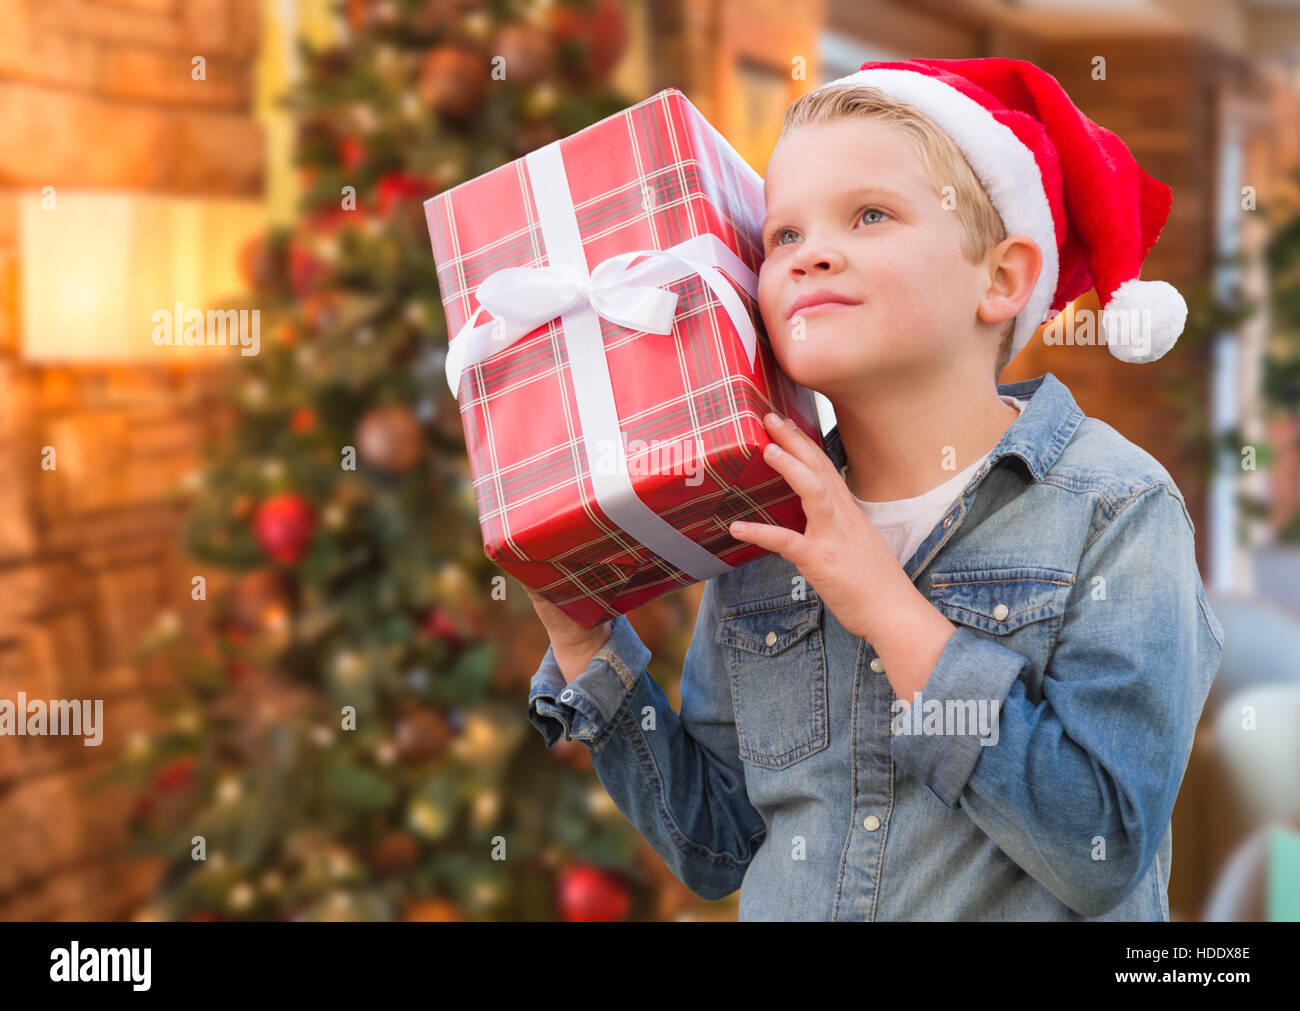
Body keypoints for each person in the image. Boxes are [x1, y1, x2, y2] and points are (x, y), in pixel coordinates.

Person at [523, 58, 1225, 920]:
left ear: (1000, 280)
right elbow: (718, 846)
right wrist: (591, 654)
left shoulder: (1113, 509)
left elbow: (1101, 846)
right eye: (783, 237)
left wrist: (891, 611)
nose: (812, 252)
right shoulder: (763, 519)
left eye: (870, 215)